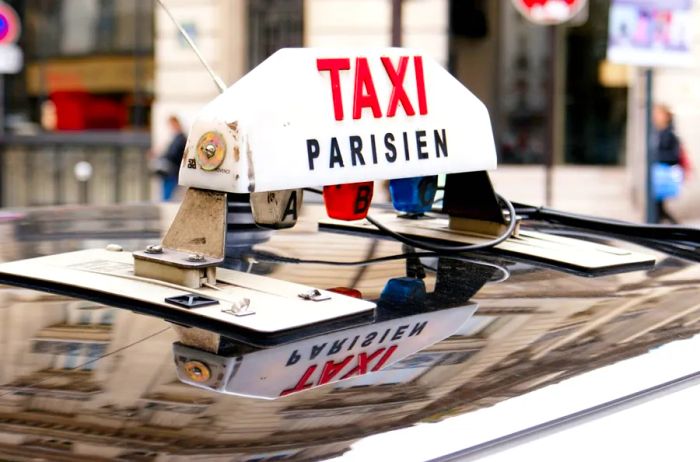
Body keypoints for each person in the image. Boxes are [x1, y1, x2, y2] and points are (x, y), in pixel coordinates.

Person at [652, 104, 681, 224]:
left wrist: (656, 157)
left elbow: (675, 156)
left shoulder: (669, 134)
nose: (655, 117)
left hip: (663, 174)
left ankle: (676, 227)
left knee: (658, 207)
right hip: (658, 174)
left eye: (658, 114)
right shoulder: (658, 132)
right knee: (658, 207)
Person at [154, 115, 187, 201]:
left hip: (173, 171)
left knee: (167, 197)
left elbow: (173, 154)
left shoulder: (180, 138)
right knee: (167, 195)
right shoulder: (177, 137)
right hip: (172, 171)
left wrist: (162, 157)